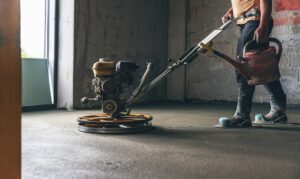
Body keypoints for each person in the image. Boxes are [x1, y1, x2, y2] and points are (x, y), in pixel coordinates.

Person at [220, 0, 287, 127]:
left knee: (243, 67)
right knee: (262, 67)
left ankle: (242, 116)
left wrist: (262, 25)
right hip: (249, 22)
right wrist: (230, 11)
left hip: (255, 22)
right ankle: (278, 110)